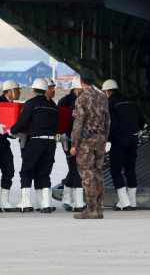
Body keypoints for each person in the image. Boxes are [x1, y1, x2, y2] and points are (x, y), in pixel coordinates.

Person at [10, 78, 59, 213]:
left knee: (27, 170)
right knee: (44, 173)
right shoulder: (53, 105)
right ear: (45, 90)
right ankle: (46, 204)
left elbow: (23, 121)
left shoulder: (31, 103)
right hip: (50, 142)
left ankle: (25, 203)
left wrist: (11, 130)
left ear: (33, 90)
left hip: (36, 141)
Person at [70, 68, 110, 219]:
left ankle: (90, 208)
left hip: (86, 140)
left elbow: (78, 122)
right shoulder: (102, 96)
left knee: (87, 173)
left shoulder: (81, 98)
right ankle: (99, 207)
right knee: (98, 172)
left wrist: (74, 144)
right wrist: (104, 137)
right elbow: (108, 120)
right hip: (100, 139)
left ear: (81, 81)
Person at [102, 79, 145, 211]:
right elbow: (142, 120)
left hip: (119, 140)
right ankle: (132, 202)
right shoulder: (130, 101)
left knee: (115, 170)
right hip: (133, 139)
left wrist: (107, 137)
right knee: (130, 170)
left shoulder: (110, 103)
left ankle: (124, 202)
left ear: (108, 92)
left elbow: (111, 123)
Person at [57, 75, 84, 212]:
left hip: (81, 139)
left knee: (75, 168)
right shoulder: (65, 101)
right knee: (74, 168)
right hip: (68, 140)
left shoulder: (84, 100)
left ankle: (67, 197)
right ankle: (72, 200)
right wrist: (64, 135)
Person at [0, 79, 20, 212]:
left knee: (9, 171)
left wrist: (14, 133)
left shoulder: (13, 105)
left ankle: (4, 201)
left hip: (4, 143)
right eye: (18, 89)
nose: (20, 92)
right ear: (10, 90)